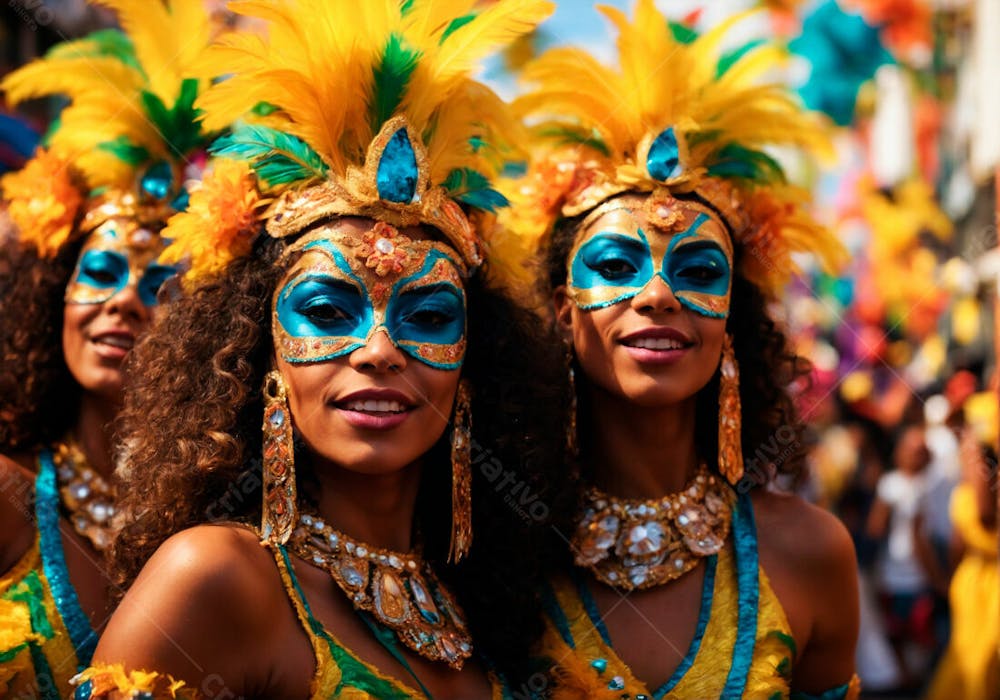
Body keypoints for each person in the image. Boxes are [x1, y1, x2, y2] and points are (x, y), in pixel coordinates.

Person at [73, 1, 564, 697]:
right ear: (262, 351)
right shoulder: (215, 579)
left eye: (428, 316)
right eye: (329, 310)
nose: (380, 349)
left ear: (472, 361)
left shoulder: (481, 602)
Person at [500, 2, 860, 697]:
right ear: (560, 308)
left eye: (697, 272)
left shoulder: (810, 554)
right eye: (614, 266)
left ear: (731, 320)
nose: (658, 294)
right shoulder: (495, 551)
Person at [0, 1, 224, 694]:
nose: (124, 299)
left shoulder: (224, 527)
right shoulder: (5, 493)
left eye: (161, 284)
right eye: (97, 272)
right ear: (52, 298)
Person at [925, 391, 999, 700]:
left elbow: (983, 517)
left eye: (967, 429)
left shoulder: (980, 486)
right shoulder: (967, 483)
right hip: (972, 588)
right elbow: (958, 541)